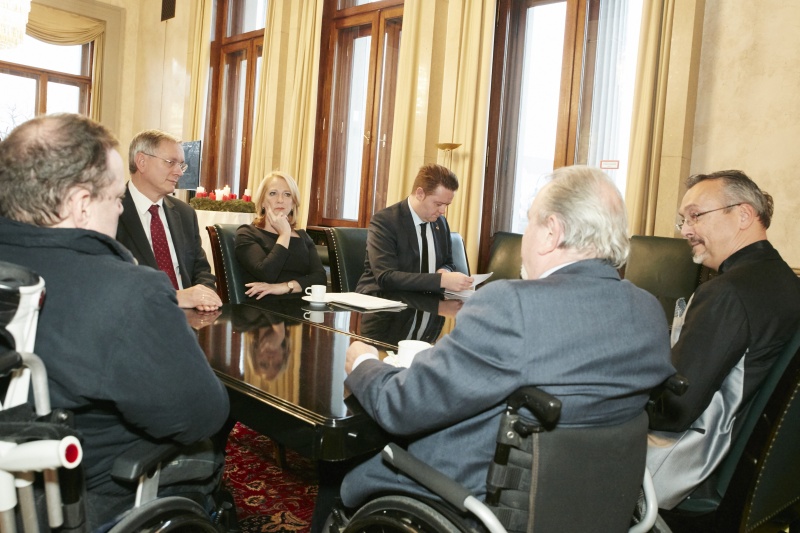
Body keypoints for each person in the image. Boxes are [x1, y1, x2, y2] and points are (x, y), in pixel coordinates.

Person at [336, 165, 675, 510]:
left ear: (551, 233)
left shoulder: (511, 305)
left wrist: (364, 363)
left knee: (340, 479)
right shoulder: (648, 310)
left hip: (487, 495)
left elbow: (403, 406)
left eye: (530, 221)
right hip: (594, 501)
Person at [0, 114, 230, 529]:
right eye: (114, 198)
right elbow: (203, 414)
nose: (121, 206)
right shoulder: (127, 292)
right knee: (208, 449)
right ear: (81, 205)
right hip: (89, 496)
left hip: (16, 488)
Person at [647, 170, 800, 510]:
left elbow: (674, 410)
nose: (686, 230)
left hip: (695, 471)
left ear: (744, 214)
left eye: (696, 216)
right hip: (756, 477)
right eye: (683, 221)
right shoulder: (786, 283)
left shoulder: (727, 293)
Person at [116, 129, 222, 312]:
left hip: (189, 319)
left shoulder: (185, 213)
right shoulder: (112, 212)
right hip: (136, 318)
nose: (179, 172)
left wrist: (204, 296)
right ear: (141, 162)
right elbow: (113, 281)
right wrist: (174, 297)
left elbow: (201, 270)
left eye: (181, 165)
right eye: (171, 163)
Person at [356, 163, 474, 295]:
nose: (443, 211)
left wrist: (444, 271)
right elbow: (386, 277)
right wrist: (440, 280)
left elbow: (448, 262)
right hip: (384, 303)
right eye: (438, 204)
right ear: (420, 193)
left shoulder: (440, 223)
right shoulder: (385, 221)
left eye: (446, 205)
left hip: (426, 303)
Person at [235, 170, 327, 299]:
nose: (280, 200)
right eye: (273, 193)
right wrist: (284, 235)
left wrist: (284, 287)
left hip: (302, 308)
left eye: (287, 194)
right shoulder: (247, 233)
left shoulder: (303, 236)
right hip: (265, 310)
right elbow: (266, 273)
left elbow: (320, 279)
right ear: (261, 201)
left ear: (293, 202)